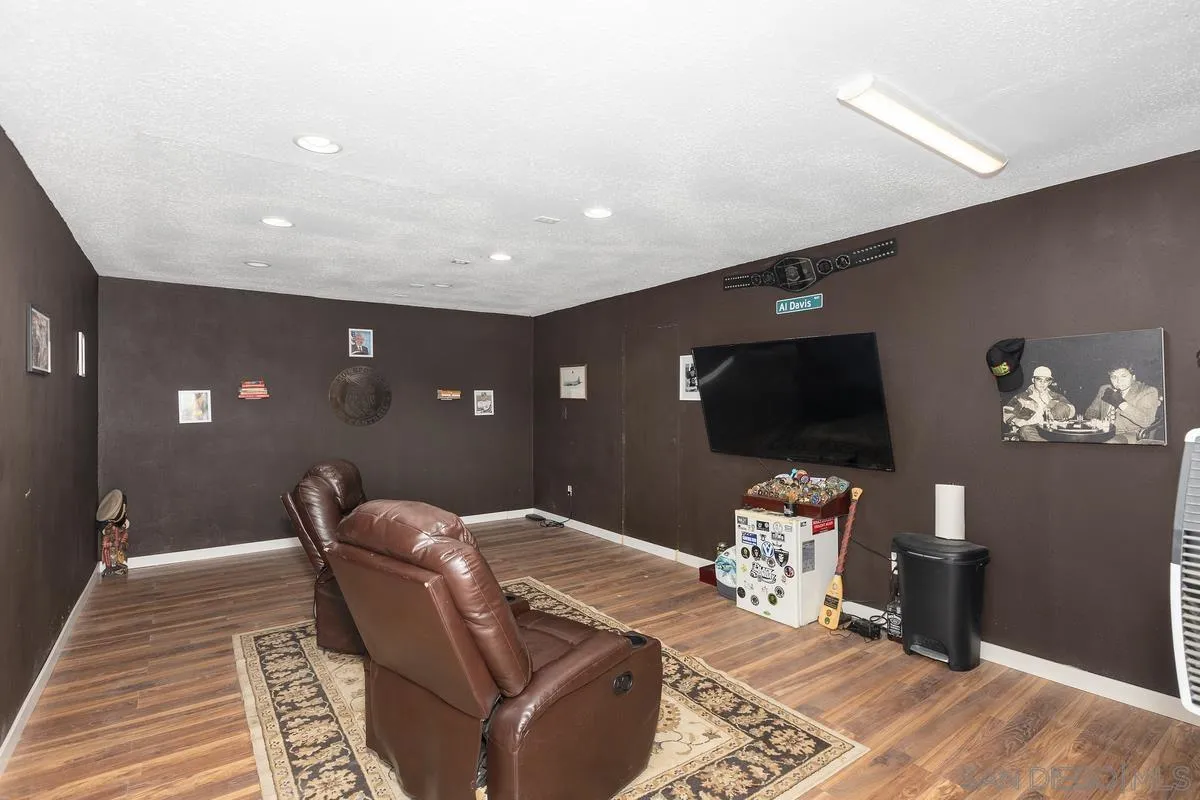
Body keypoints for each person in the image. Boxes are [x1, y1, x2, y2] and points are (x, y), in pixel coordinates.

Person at [1084, 364, 1161, 443]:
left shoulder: (1147, 391)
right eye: (1114, 377)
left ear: (1133, 377)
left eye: (1123, 376)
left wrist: (1121, 403)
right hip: (1102, 432)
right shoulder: (1104, 389)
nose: (1118, 381)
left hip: (1128, 434)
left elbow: (1146, 421)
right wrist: (1095, 420)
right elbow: (1089, 413)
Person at [1003, 366, 1075, 441]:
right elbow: (1007, 412)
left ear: (1049, 382)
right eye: (1039, 379)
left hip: (1053, 428)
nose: (1042, 383)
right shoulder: (1022, 397)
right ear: (1033, 380)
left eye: (1046, 380)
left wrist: (1057, 410)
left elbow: (1072, 410)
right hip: (1031, 428)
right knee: (1025, 430)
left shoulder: (1056, 397)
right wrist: (1016, 421)